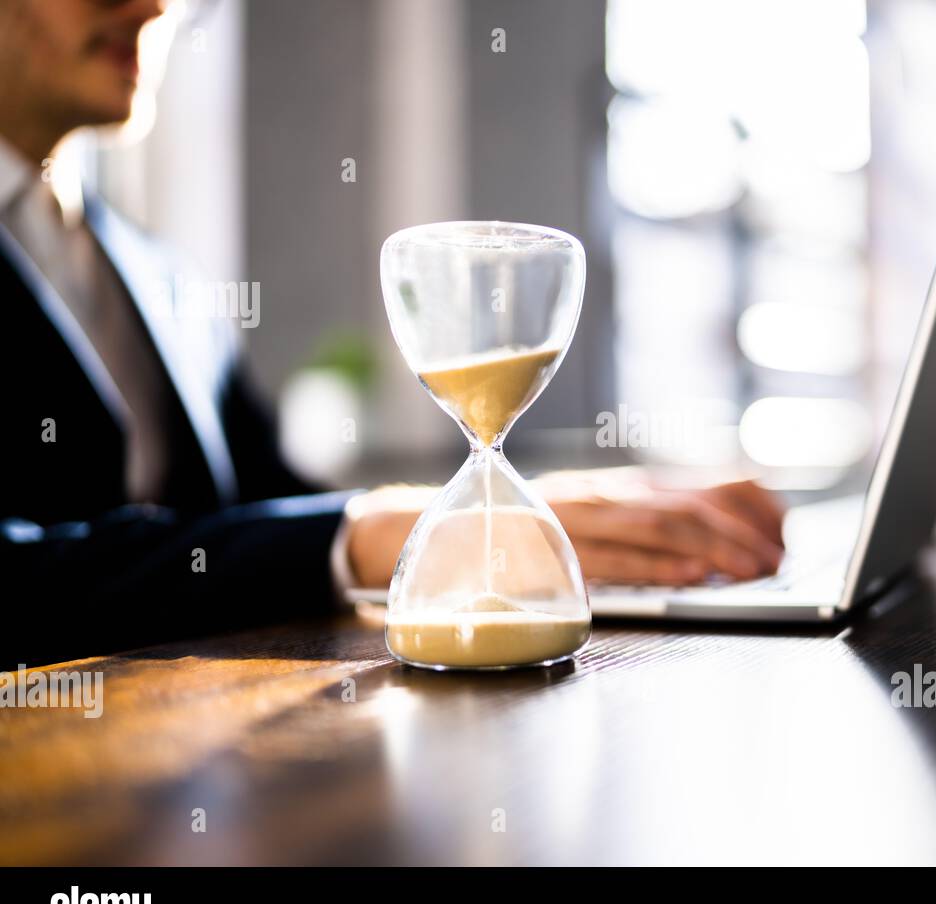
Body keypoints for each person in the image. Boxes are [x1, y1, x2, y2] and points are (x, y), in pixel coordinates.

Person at [0, 0, 784, 667]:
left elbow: (269, 507)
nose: (154, 5)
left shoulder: (152, 271)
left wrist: (513, 516)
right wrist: (377, 532)